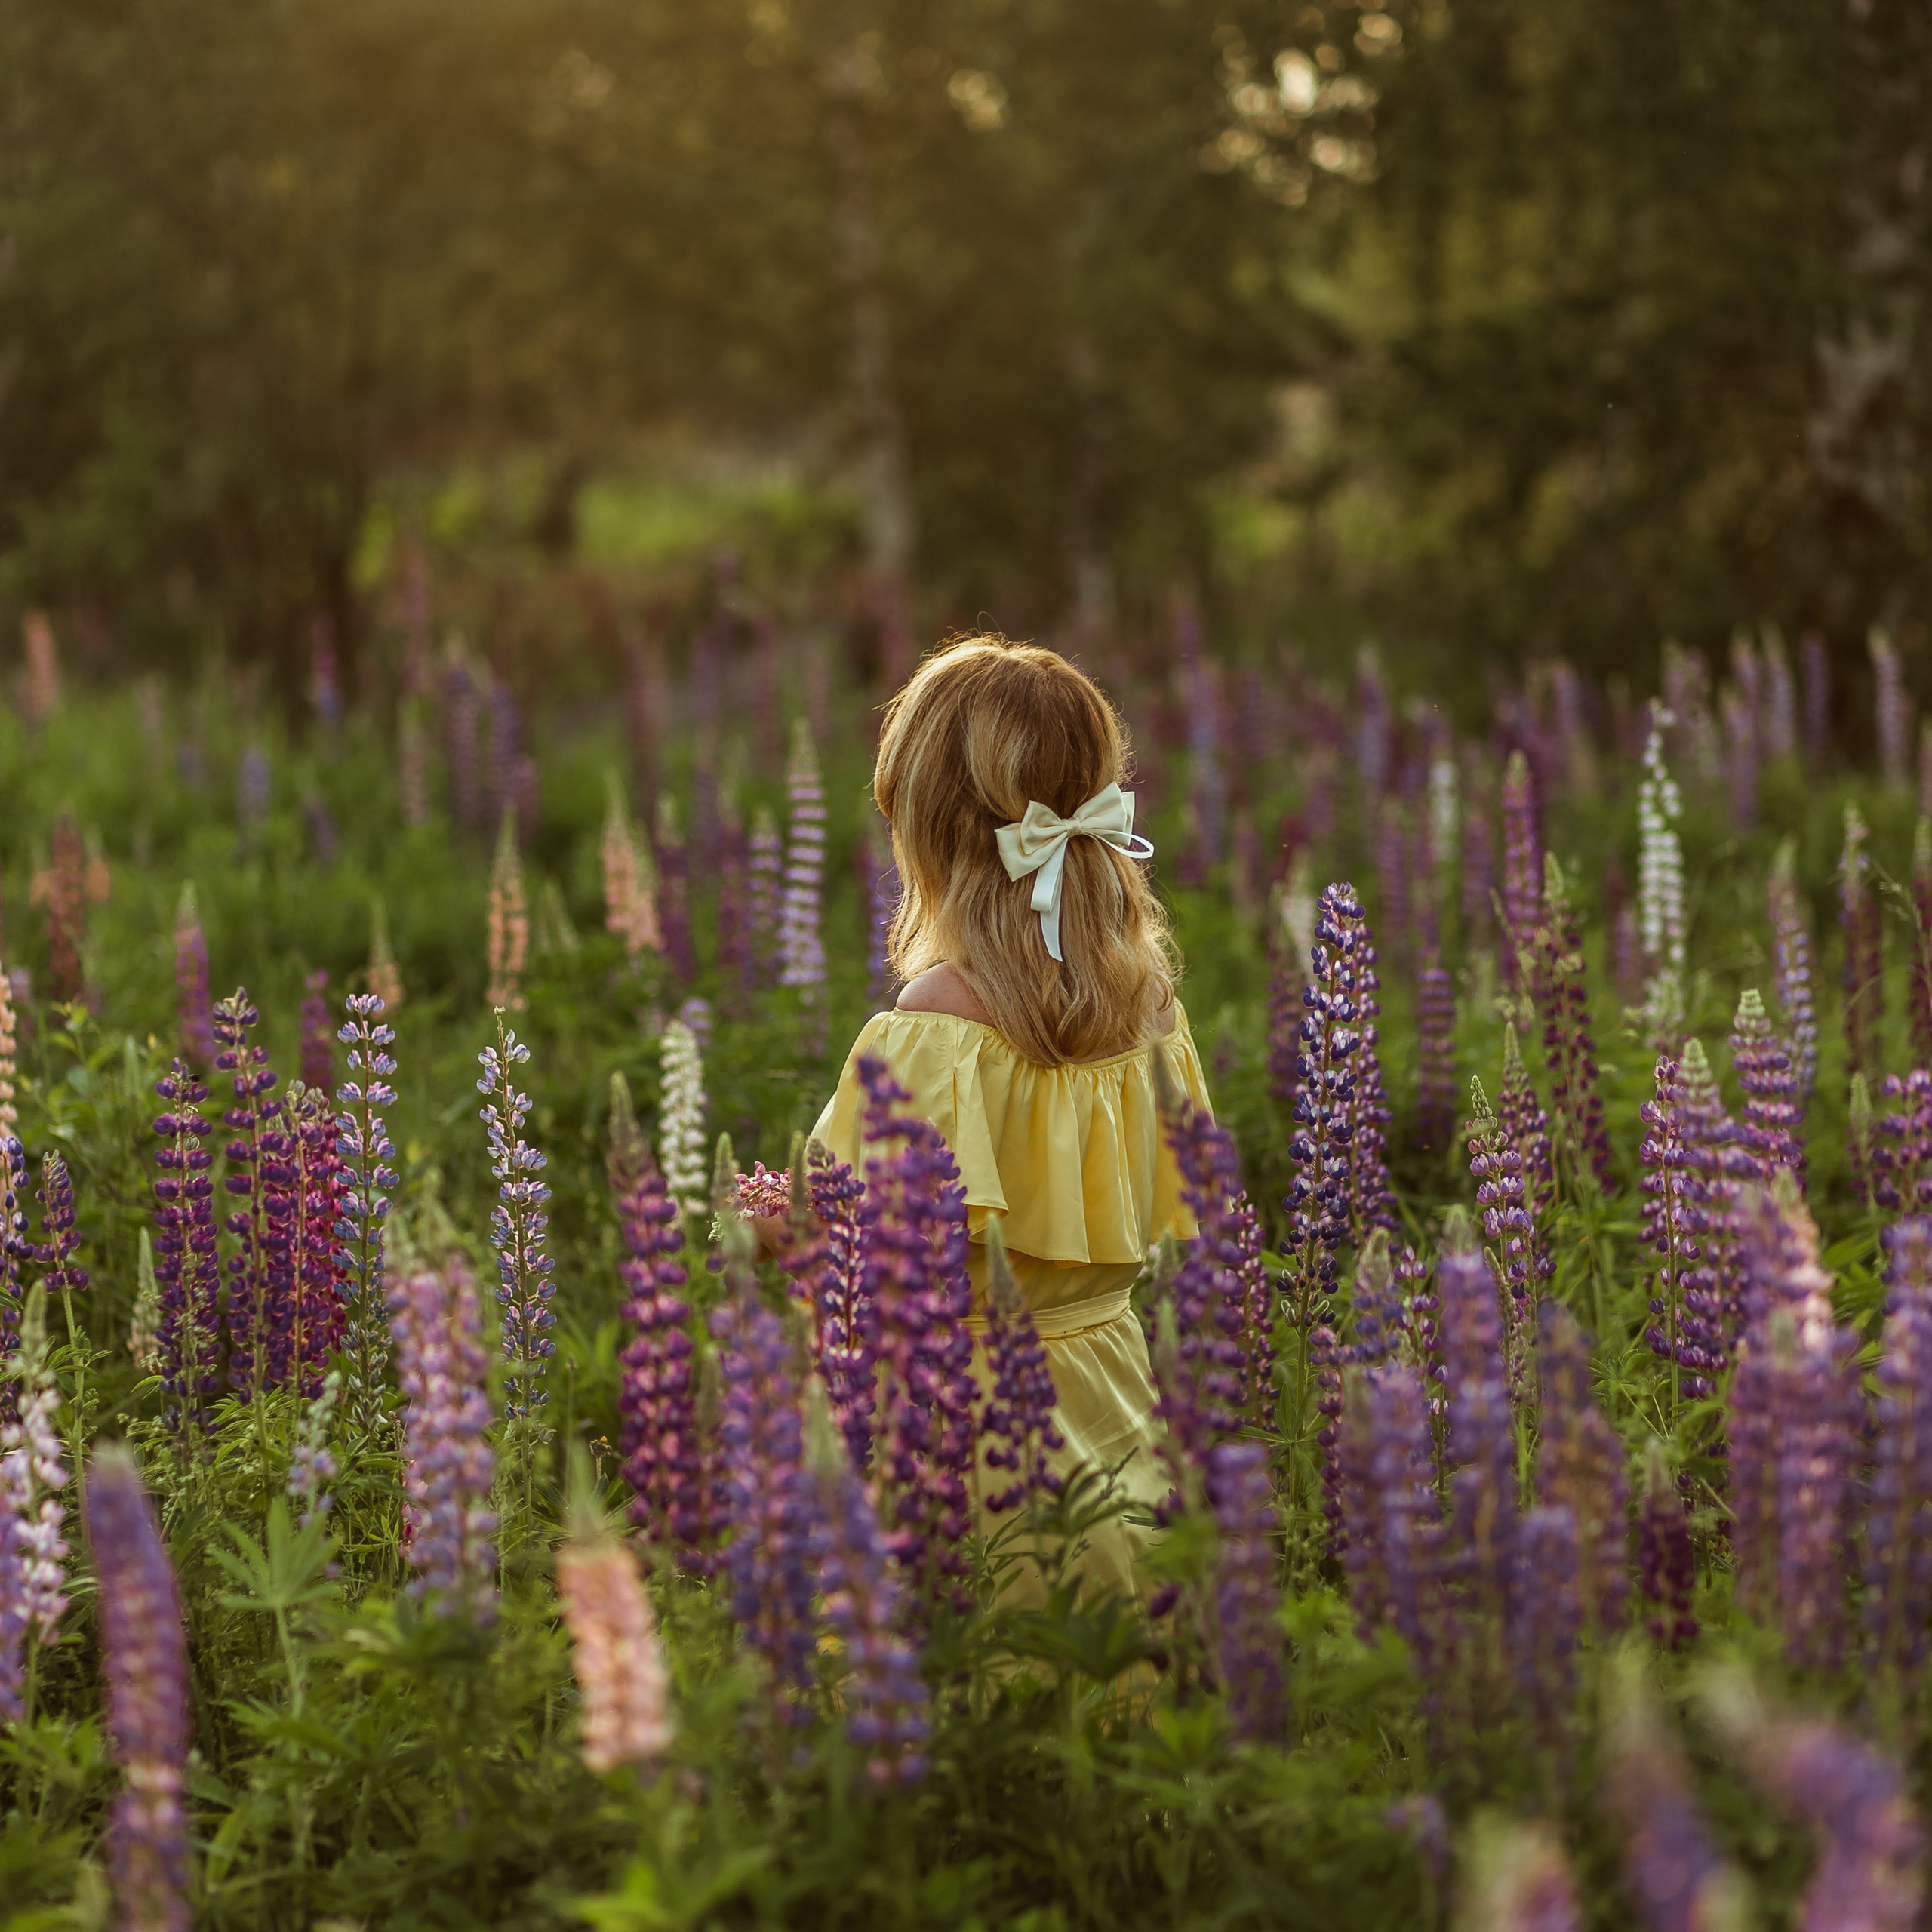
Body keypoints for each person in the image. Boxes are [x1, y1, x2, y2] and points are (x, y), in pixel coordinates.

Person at [809, 635, 1214, 1607]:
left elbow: (860, 1245)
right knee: (1116, 1700)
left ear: (935, 834)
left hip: (970, 1445)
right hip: (1119, 1416)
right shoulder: (1151, 1004)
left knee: (983, 1709)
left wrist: (768, 1221)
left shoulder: (933, 1023)